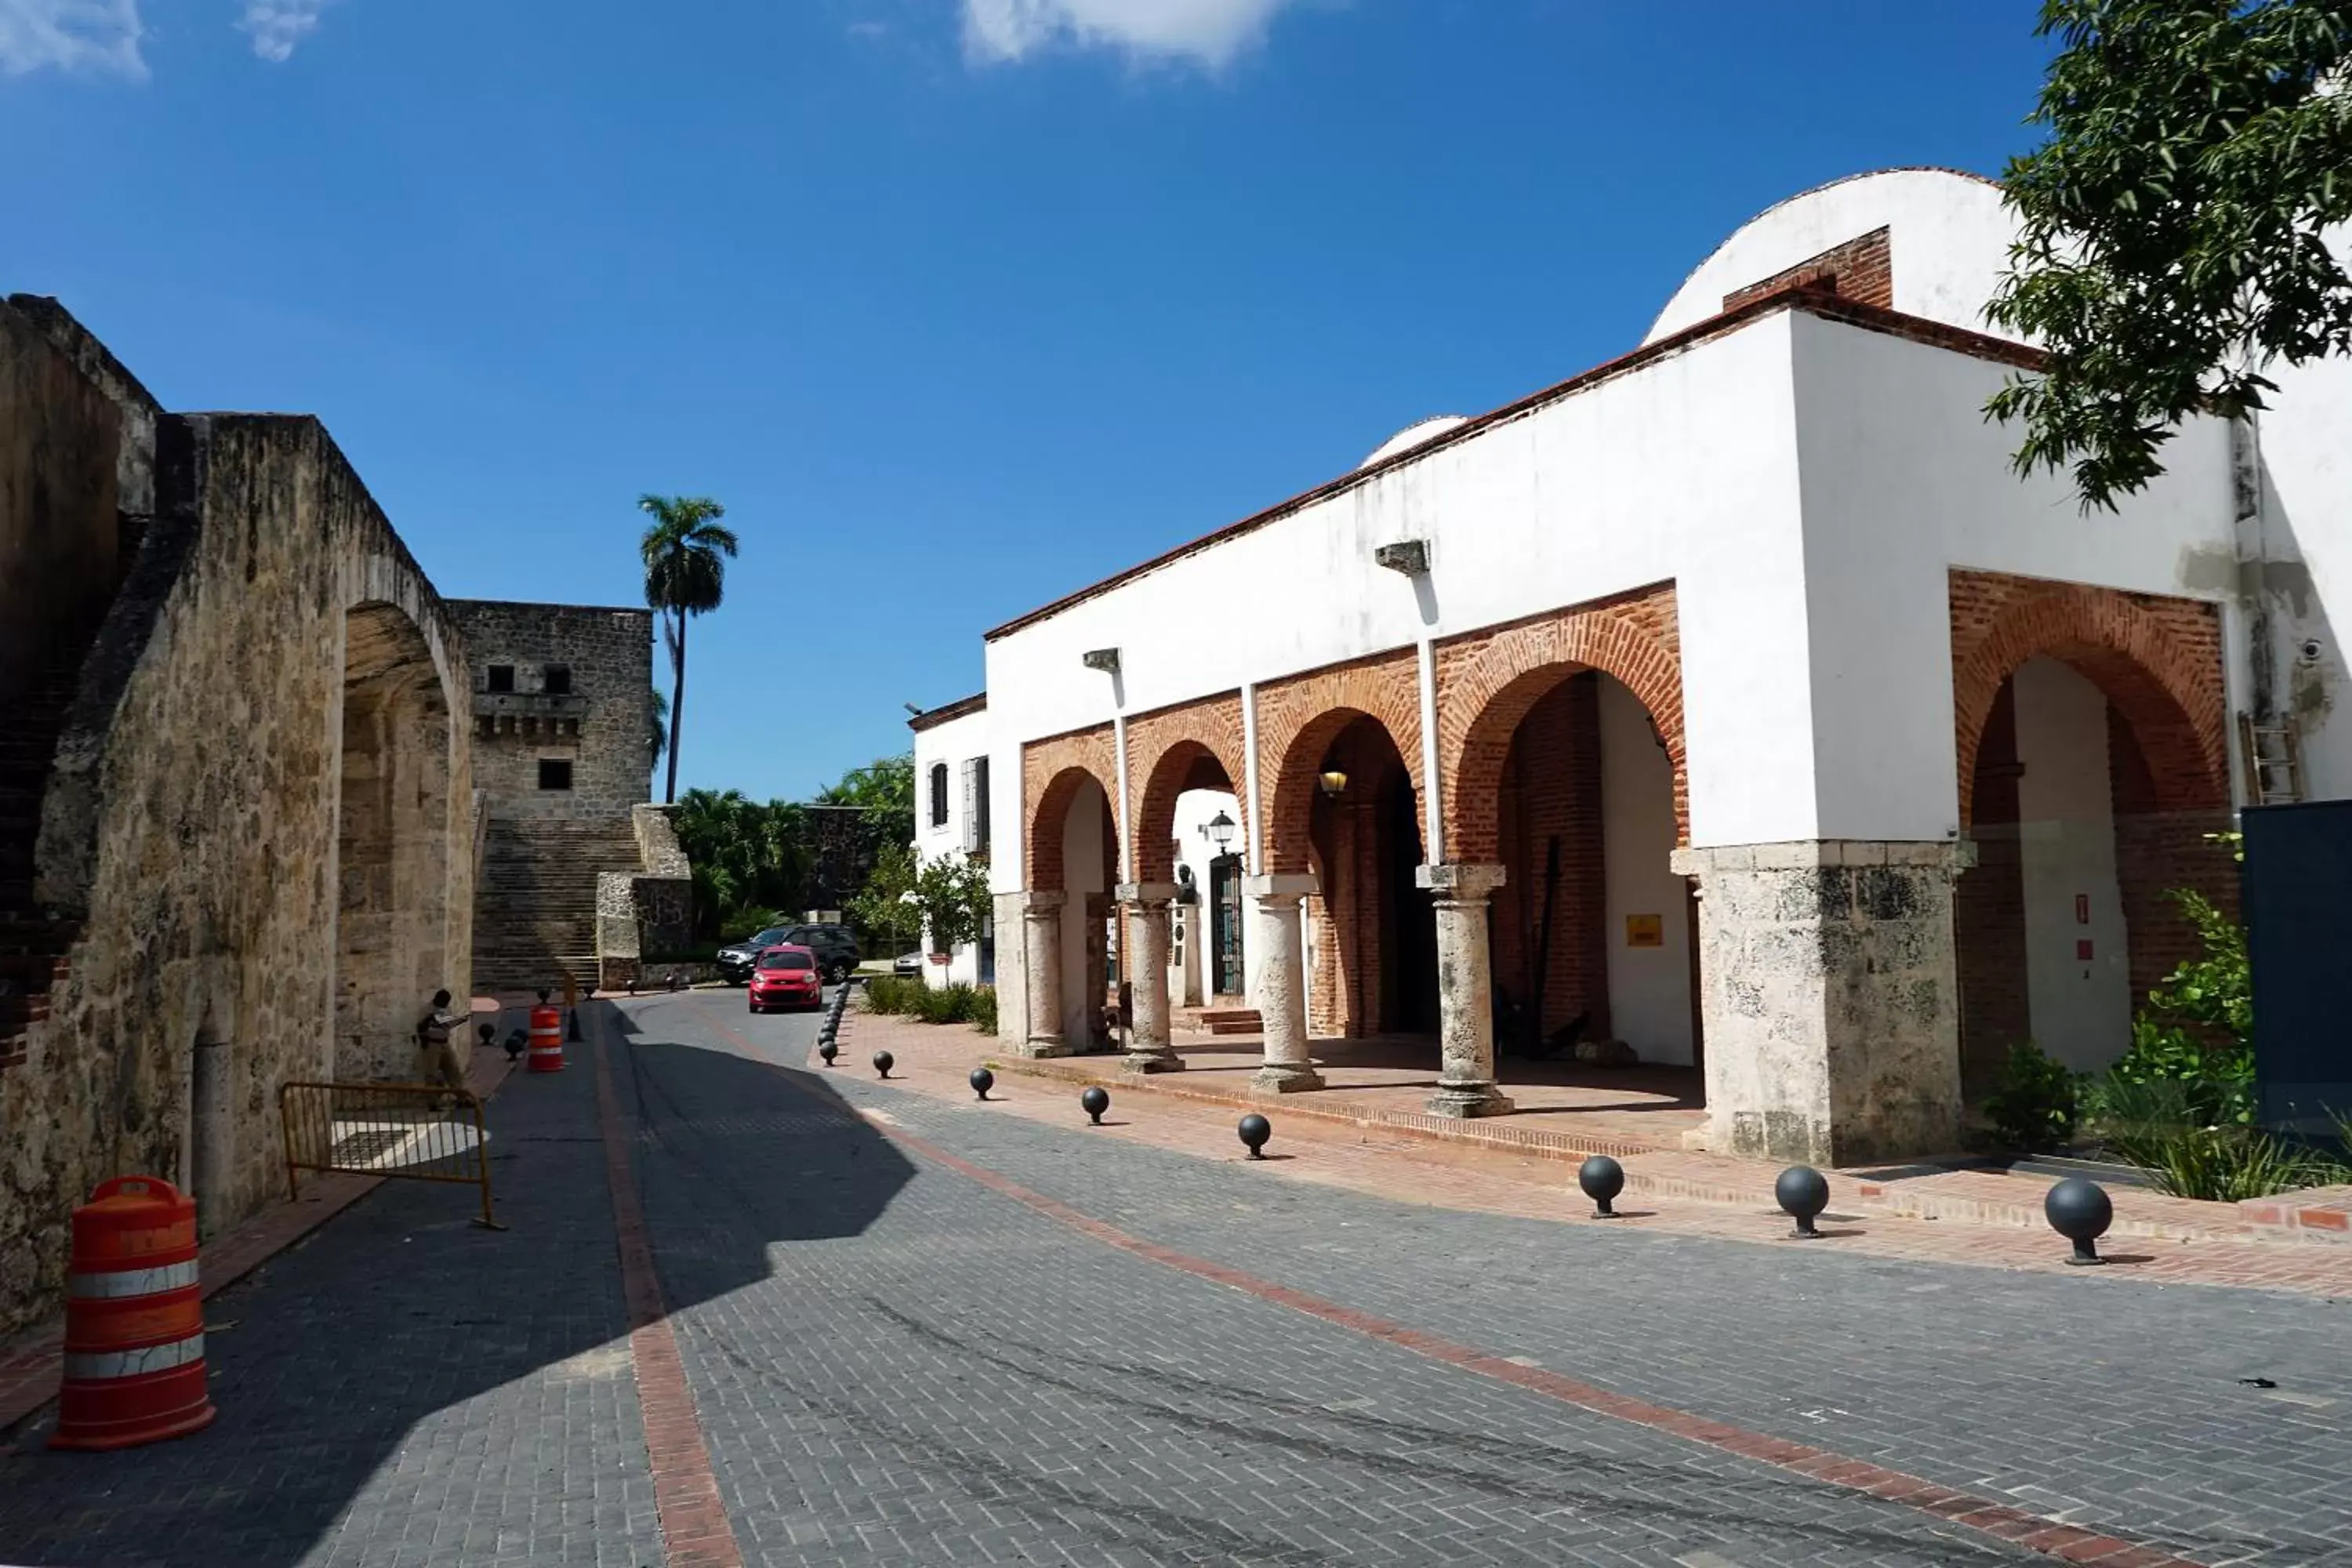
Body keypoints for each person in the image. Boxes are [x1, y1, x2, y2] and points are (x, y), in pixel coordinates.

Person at [414, 989, 467, 1094]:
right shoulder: (427, 1009)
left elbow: (448, 1023)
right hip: (431, 1044)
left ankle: (461, 1097)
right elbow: (420, 1028)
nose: (445, 1005)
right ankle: (433, 1101)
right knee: (432, 1074)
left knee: (453, 1070)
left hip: (444, 1042)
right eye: (444, 1003)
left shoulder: (446, 1009)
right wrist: (430, 1017)